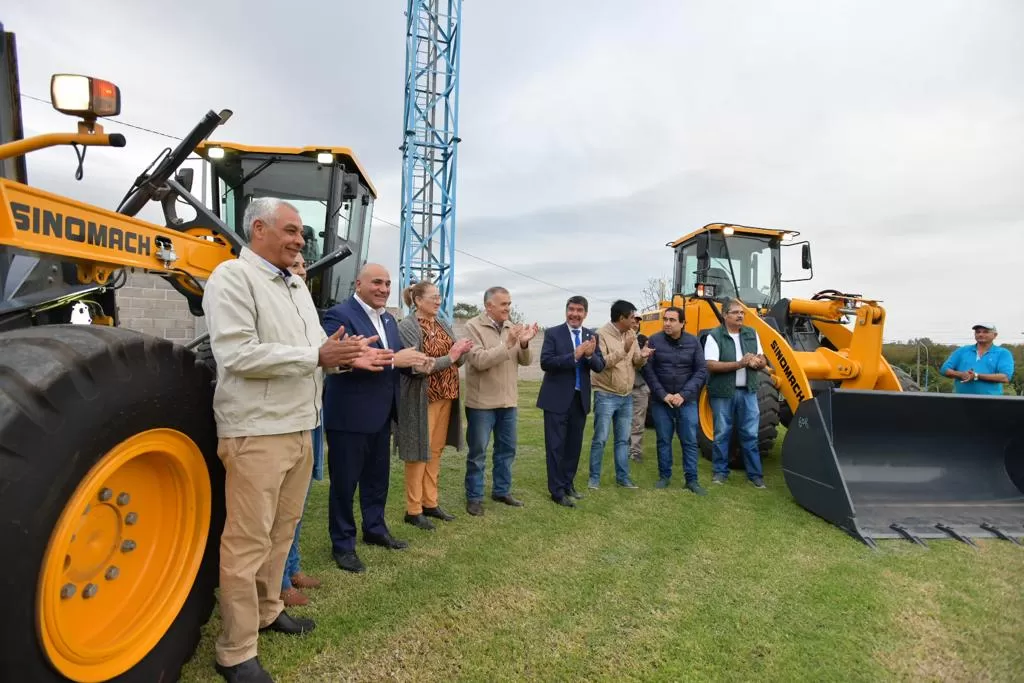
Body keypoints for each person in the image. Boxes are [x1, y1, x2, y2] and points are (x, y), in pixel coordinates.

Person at [203, 197, 388, 683]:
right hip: (256, 433)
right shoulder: (232, 278)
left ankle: (268, 613)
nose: (299, 240)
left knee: (281, 534)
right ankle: (236, 650)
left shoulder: (295, 286)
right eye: (290, 231)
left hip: (301, 428)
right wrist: (319, 357)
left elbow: (312, 354)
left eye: (302, 234)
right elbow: (238, 354)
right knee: (247, 543)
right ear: (258, 228)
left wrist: (346, 358)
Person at [322, 263, 431, 574]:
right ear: (359, 284)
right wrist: (398, 359)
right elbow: (344, 358)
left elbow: (395, 360)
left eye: (387, 284)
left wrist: (414, 363)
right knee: (345, 484)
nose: (384, 289)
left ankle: (375, 528)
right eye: (377, 283)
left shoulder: (388, 319)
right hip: (350, 416)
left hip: (383, 414)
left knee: (376, 480)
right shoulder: (338, 315)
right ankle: (343, 545)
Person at [396, 281, 474, 530]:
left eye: (439, 297)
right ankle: (413, 509)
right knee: (419, 452)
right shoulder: (408, 326)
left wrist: (461, 352)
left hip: (446, 395)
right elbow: (417, 366)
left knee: (436, 450)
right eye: (434, 297)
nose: (439, 301)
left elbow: (455, 362)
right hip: (422, 398)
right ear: (418, 300)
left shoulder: (442, 323)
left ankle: (431, 502)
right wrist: (451, 355)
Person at [462, 286, 538, 516]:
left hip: (508, 402)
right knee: (478, 453)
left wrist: (523, 343)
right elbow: (479, 360)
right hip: (481, 404)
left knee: (507, 450)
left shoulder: (510, 327)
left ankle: (501, 490)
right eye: (504, 304)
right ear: (489, 306)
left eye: (509, 303)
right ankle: (474, 497)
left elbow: (525, 361)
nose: (508, 308)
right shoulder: (472, 327)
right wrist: (507, 344)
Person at [280, 253, 323, 608]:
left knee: (298, 503)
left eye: (304, 267)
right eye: (295, 266)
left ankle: (292, 567)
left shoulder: (306, 305)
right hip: (283, 419)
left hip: (311, 415)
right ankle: (277, 583)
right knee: (278, 510)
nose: (301, 272)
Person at [537, 296, 606, 507]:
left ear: (585, 313)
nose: (574, 314)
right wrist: (574, 356)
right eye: (571, 309)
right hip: (556, 400)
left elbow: (600, 365)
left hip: (579, 400)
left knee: (573, 447)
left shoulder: (591, 336)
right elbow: (546, 363)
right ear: (566, 311)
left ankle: (568, 484)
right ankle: (556, 491)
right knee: (556, 446)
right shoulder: (553, 333)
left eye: (579, 310)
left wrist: (588, 356)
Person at [587, 300, 653, 489]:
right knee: (600, 438)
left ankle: (623, 478)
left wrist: (644, 356)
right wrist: (624, 349)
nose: (634, 321)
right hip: (606, 395)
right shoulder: (601, 335)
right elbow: (602, 364)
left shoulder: (631, 334)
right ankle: (594, 479)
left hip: (626, 395)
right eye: (632, 317)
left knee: (623, 440)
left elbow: (636, 362)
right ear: (621, 318)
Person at [642, 306, 708, 493]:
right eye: (666, 319)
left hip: (686, 401)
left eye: (672, 320)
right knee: (663, 439)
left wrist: (683, 395)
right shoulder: (654, 340)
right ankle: (664, 476)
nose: (667, 323)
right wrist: (663, 395)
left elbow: (701, 370)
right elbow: (648, 370)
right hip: (661, 401)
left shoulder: (693, 342)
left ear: (682, 323)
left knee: (689, 440)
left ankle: (692, 480)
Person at [703, 298, 767, 489]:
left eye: (742, 313)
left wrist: (757, 363)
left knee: (750, 433)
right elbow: (711, 365)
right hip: (723, 393)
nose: (740, 315)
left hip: (748, 392)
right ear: (725, 315)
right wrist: (741, 363)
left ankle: (755, 475)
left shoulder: (751, 333)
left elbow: (763, 359)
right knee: (722, 433)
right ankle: (720, 472)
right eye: (736, 312)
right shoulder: (714, 335)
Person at [940, 323, 1015, 395]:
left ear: (995, 335)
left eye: (985, 332)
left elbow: (1005, 377)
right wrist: (961, 374)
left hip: (991, 402)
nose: (981, 334)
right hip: (961, 400)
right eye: (978, 332)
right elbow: (944, 369)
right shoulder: (962, 351)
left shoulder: (1003, 353)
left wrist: (977, 376)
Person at [629, 314, 650, 463]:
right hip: (623, 386)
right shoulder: (620, 339)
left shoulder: (644, 340)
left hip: (640, 385)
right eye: (633, 320)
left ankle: (635, 451)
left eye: (638, 321)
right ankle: (623, 449)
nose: (636, 323)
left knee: (638, 422)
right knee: (623, 421)